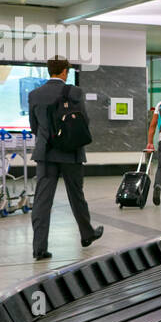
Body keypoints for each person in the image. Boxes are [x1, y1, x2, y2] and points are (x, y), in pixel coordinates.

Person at [27, 57, 101, 261]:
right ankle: (87, 234)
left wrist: (48, 138)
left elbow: (34, 126)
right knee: (76, 196)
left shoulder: (35, 94)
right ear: (65, 72)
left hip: (46, 153)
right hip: (71, 152)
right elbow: (84, 120)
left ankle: (39, 248)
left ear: (49, 71)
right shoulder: (75, 92)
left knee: (42, 201)